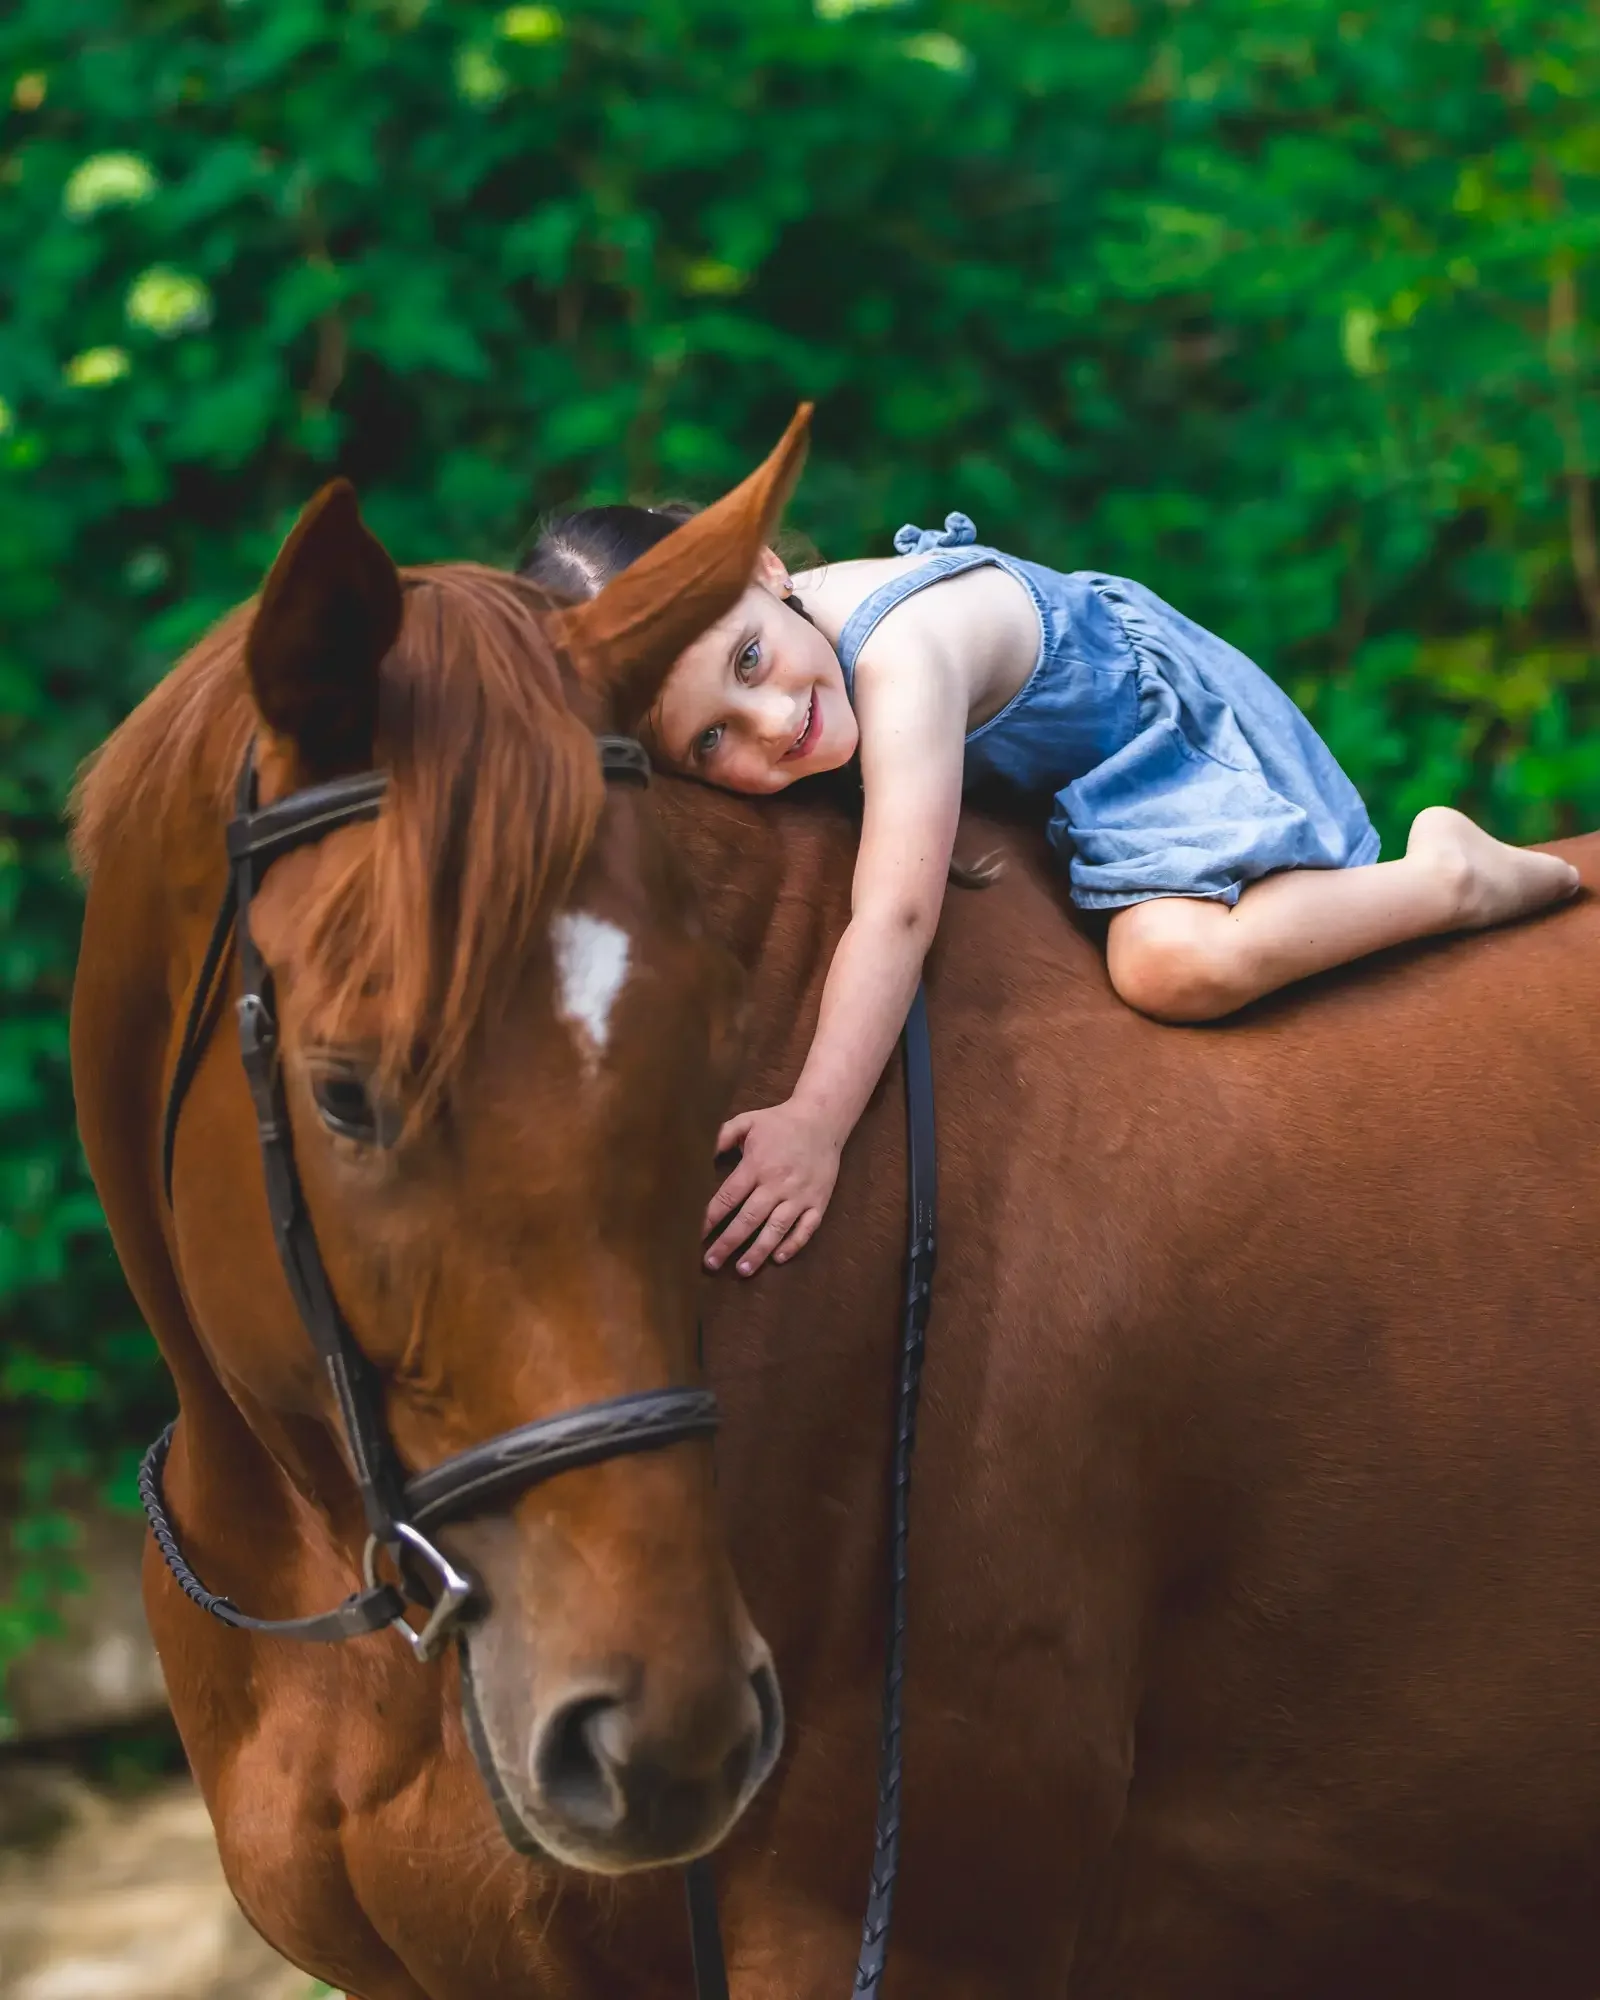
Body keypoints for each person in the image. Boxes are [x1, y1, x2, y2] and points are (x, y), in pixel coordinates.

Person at [521, 505, 1579, 1278]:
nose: (769, 721)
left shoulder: (899, 656)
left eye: (751, 658)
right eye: (710, 738)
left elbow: (896, 909)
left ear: (762, 566)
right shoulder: (806, 678)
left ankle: (1447, 879)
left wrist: (815, 1118)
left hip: (1154, 729)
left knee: (1173, 965)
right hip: (1067, 777)